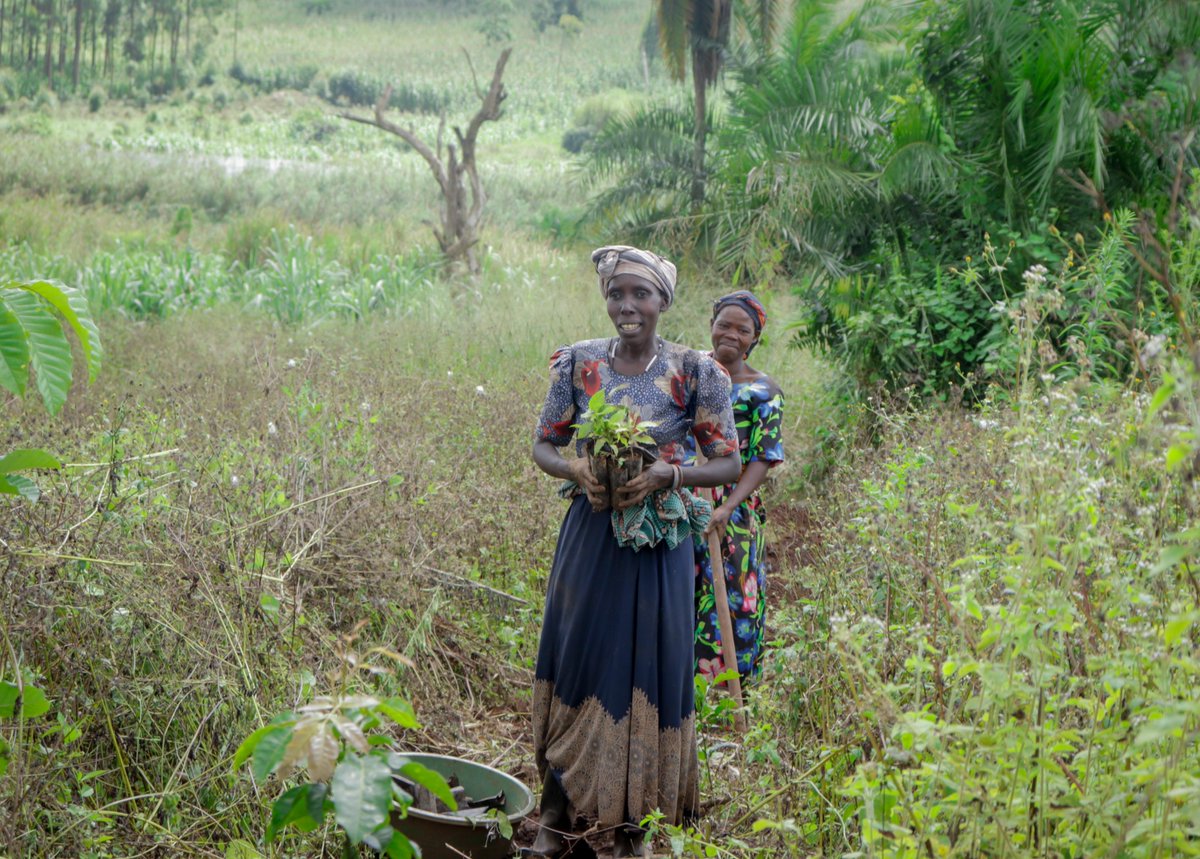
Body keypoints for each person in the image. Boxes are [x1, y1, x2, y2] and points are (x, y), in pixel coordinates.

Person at [528, 246, 740, 859]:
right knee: (579, 659)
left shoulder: (696, 372)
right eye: (618, 293)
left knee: (648, 665)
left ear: (663, 302)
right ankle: (555, 814)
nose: (628, 306)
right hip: (591, 536)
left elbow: (726, 459)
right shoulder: (579, 362)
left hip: (659, 543)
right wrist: (574, 466)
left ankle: (634, 825)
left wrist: (668, 478)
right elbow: (544, 444)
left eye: (640, 294)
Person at [686, 291, 784, 685]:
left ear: (754, 339)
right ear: (711, 326)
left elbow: (763, 458)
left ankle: (731, 694)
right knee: (683, 591)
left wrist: (728, 508)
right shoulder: (689, 371)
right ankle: (681, 692)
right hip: (683, 498)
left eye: (742, 330)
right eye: (724, 325)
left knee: (734, 595)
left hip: (734, 508)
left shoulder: (763, 392)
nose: (731, 335)